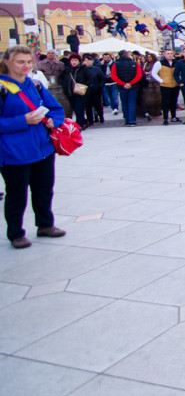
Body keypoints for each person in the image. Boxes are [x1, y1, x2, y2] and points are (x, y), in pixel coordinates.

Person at [0, 45, 67, 249]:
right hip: (14, 152)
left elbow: (56, 108)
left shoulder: (36, 84)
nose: (26, 66)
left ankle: (45, 225)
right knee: (16, 194)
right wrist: (23, 120)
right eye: (20, 62)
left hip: (43, 149)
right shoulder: (2, 88)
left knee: (44, 189)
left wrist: (52, 121)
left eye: (29, 62)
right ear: (7, 62)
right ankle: (16, 233)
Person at [110, 50, 143, 126]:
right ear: (127, 55)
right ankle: (132, 120)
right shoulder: (134, 64)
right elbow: (139, 75)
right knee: (131, 103)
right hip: (133, 86)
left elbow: (113, 76)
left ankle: (127, 119)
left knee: (124, 103)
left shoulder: (116, 64)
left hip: (122, 86)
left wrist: (123, 84)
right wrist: (130, 83)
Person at [154, 49, 182, 125]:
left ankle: (173, 117)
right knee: (165, 102)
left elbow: (180, 72)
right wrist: (161, 81)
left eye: (171, 53)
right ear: (164, 54)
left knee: (174, 101)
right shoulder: (160, 63)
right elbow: (154, 73)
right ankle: (165, 118)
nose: (170, 55)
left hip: (175, 85)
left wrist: (179, 80)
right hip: (165, 86)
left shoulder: (176, 63)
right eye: (168, 53)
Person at [62, 53, 89, 129]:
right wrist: (64, 85)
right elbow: (61, 78)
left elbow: (89, 78)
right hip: (70, 92)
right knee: (75, 108)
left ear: (79, 61)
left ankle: (79, 125)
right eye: (72, 60)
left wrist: (84, 85)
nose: (74, 62)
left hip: (80, 92)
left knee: (79, 108)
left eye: (76, 60)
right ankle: (83, 121)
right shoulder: (67, 70)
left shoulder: (83, 69)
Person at [81, 53, 106, 125]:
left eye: (89, 60)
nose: (87, 62)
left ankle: (100, 116)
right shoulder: (81, 70)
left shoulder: (97, 69)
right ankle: (90, 120)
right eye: (86, 60)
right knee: (88, 106)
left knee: (98, 105)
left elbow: (102, 79)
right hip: (86, 91)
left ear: (92, 61)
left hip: (96, 90)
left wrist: (99, 86)